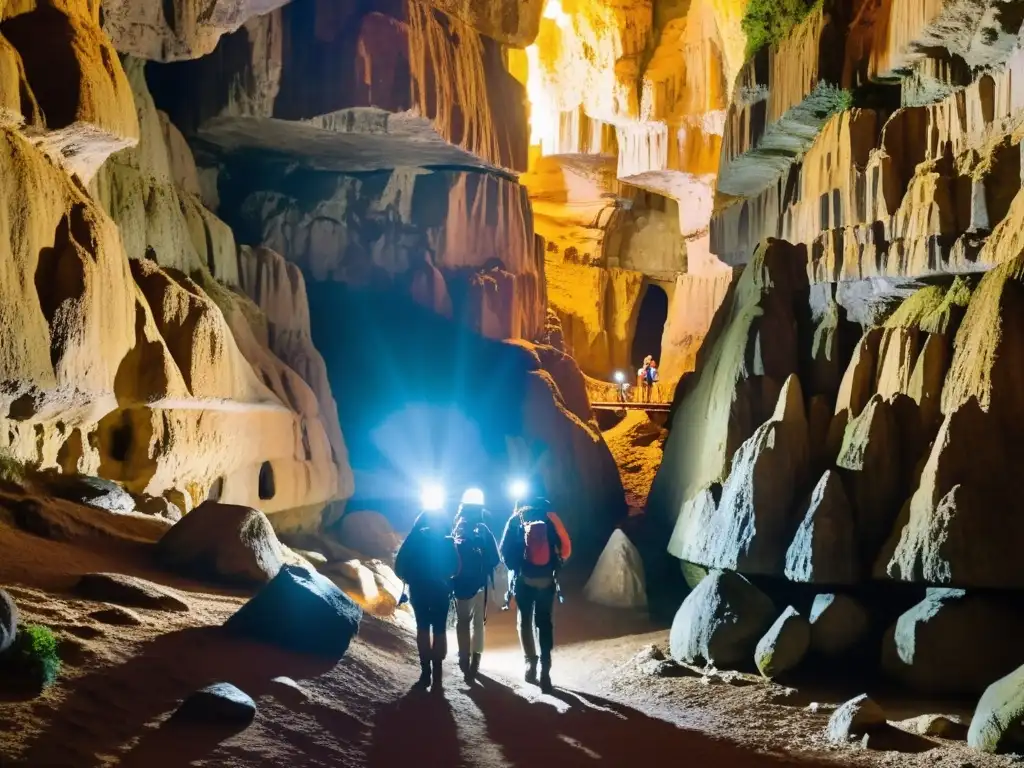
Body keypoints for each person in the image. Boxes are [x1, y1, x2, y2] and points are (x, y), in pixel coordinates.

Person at [499, 493, 572, 693]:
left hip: (523, 579)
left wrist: (516, 566)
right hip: (547, 579)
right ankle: (545, 668)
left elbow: (503, 550)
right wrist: (555, 564)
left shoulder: (516, 519)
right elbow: (566, 548)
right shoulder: (551, 517)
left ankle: (530, 664)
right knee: (544, 622)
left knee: (524, 621)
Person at [394, 508, 460, 692]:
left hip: (418, 589)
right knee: (439, 628)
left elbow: (399, 565)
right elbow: (456, 568)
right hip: (441, 589)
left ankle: (425, 673)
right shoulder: (447, 540)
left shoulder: (414, 538)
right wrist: (445, 576)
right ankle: (437, 671)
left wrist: (408, 578)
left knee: (423, 628)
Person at [451, 499, 500, 683]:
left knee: (463, 621)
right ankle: (476, 658)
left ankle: (464, 657)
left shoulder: (457, 530)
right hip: (481, 584)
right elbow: (495, 559)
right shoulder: (484, 531)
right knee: (479, 622)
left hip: (461, 585)